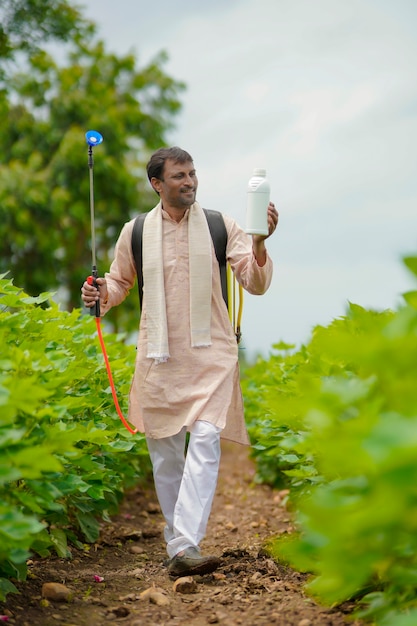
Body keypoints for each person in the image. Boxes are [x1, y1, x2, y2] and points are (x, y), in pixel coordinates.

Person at [81, 147, 278, 577]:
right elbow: (118, 282)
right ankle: (179, 545)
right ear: (157, 184)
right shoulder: (135, 231)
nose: (189, 181)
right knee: (166, 455)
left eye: (192, 173)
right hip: (159, 357)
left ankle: (186, 542)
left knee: (206, 439)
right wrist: (99, 293)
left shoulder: (220, 224)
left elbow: (254, 280)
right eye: (179, 176)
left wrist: (260, 241)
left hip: (212, 355)